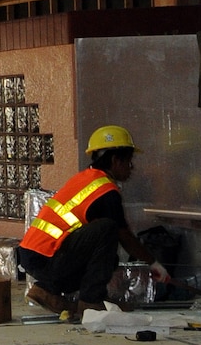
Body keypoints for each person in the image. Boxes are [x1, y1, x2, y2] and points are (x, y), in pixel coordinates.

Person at [17, 124, 165, 320]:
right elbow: (124, 235)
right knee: (107, 229)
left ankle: (45, 290)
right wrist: (154, 263)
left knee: (108, 257)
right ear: (115, 160)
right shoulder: (105, 191)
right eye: (129, 161)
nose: (132, 168)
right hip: (48, 257)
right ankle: (90, 303)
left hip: (37, 255)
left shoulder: (85, 179)